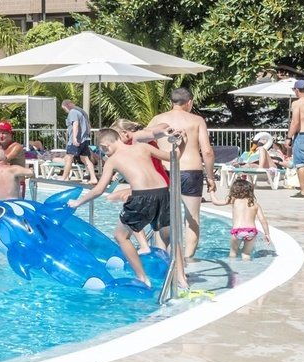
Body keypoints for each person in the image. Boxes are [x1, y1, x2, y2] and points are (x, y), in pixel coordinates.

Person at [68, 121, 176, 288]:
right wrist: (179, 142)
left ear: (106, 145)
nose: (104, 153)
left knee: (121, 236)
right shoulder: (142, 147)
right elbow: (173, 158)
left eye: (103, 150)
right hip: (163, 191)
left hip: (142, 197)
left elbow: (99, 189)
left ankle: (142, 278)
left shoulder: (113, 160)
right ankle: (181, 278)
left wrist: (78, 202)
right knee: (171, 236)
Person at [146, 86, 215, 263]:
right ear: (189, 102)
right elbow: (206, 151)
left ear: (172, 102)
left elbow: (143, 143)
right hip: (191, 172)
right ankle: (187, 259)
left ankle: (162, 257)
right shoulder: (197, 120)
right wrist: (210, 177)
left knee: (162, 216)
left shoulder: (157, 119)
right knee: (192, 217)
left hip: (165, 171)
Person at [227, 178, 269, 260]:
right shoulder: (255, 204)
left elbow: (216, 202)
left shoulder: (234, 201)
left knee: (233, 253)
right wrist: (267, 234)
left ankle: (232, 271)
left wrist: (211, 192)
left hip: (237, 231)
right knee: (246, 254)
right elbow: (263, 220)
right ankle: (247, 272)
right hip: (251, 232)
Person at [60, 98, 94, 181]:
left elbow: (76, 124)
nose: (66, 111)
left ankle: (64, 177)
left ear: (67, 105)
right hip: (84, 139)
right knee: (85, 158)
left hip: (75, 140)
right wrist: (85, 134)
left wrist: (75, 138)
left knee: (69, 157)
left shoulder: (73, 112)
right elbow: (89, 126)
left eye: (65, 109)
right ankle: (93, 178)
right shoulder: (82, 111)